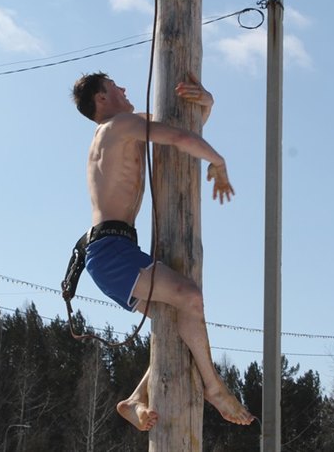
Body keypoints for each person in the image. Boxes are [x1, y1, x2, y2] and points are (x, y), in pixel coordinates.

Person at [71, 72, 254, 431]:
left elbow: (186, 127)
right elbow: (179, 138)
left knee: (174, 320)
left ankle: (134, 399)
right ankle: (214, 386)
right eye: (114, 86)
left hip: (116, 250)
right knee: (190, 296)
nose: (124, 88)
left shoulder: (124, 127)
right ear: (101, 98)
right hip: (110, 251)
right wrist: (218, 161)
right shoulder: (117, 126)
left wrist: (208, 101)